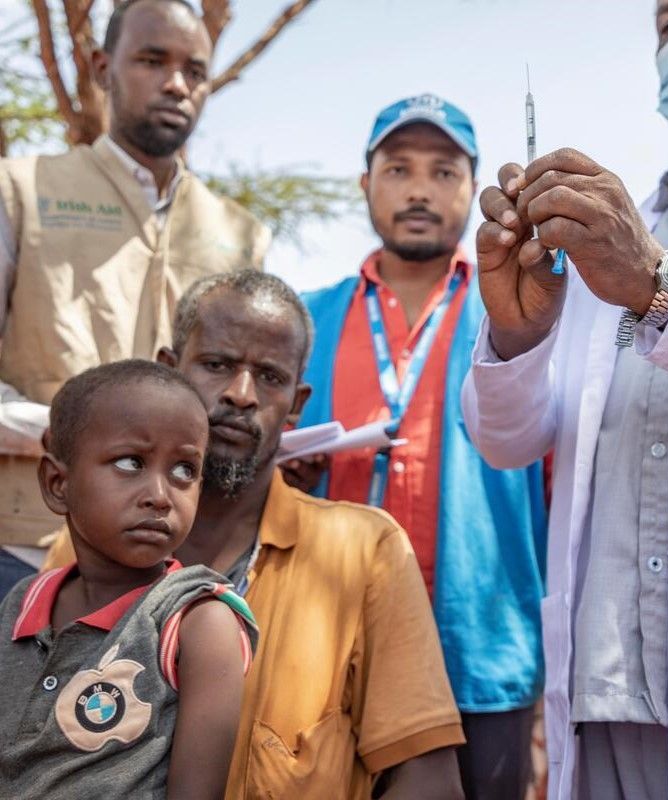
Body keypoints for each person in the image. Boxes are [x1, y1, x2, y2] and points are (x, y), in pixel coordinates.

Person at [461, 1, 668, 799]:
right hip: (606, 699)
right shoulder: (623, 228)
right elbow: (510, 441)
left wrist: (660, 285)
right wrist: (517, 338)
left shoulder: (633, 249)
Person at [44, 270, 466, 800]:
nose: (241, 395)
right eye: (217, 365)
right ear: (169, 371)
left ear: (295, 404)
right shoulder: (88, 542)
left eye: (269, 377)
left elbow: (427, 778)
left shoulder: (364, 552)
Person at [288, 94, 548, 800]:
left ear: (474, 189)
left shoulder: (520, 312)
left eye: (444, 172)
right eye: (398, 168)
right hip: (323, 642)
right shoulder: (304, 321)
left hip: (483, 648)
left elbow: (557, 479)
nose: (419, 190)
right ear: (365, 183)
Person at [0, 0, 269, 596]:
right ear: (102, 67)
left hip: (175, 563)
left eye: (194, 71)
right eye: (152, 60)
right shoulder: (19, 191)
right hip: (25, 547)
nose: (176, 83)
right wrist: (76, 435)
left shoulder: (240, 232)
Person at [0, 360, 258, 799]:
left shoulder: (197, 620)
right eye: (130, 462)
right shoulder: (23, 603)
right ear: (58, 484)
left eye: (184, 471)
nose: (160, 496)